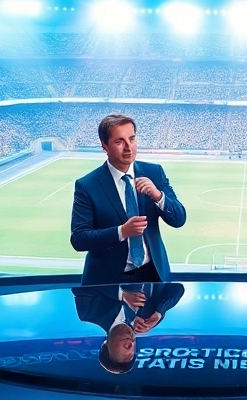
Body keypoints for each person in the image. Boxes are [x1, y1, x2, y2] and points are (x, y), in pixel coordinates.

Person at [70, 114, 187, 286]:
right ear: (105, 146)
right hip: (109, 283)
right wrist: (122, 231)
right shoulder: (87, 185)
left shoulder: (154, 172)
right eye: (119, 141)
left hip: (154, 275)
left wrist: (158, 196)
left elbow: (179, 219)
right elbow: (79, 239)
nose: (128, 147)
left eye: (132, 139)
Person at [73, 282, 186, 374]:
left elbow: (85, 282)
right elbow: (177, 288)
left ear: (105, 345)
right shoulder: (148, 320)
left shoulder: (89, 313)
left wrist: (121, 294)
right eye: (132, 353)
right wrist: (160, 312)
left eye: (122, 354)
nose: (131, 346)